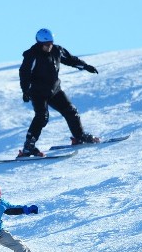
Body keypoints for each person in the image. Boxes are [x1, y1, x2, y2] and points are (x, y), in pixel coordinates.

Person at [18, 28, 100, 158]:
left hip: (54, 90)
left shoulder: (57, 50)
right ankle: (28, 147)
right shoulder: (32, 55)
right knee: (42, 117)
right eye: (46, 44)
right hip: (38, 92)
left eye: (51, 43)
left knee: (71, 111)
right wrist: (25, 90)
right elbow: (24, 73)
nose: (49, 46)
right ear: (39, 44)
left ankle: (79, 137)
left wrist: (85, 66)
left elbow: (71, 60)